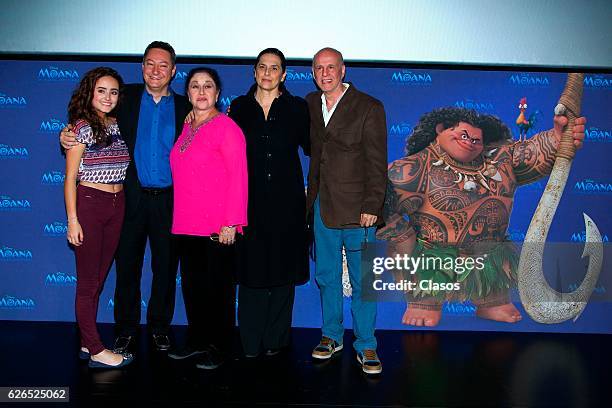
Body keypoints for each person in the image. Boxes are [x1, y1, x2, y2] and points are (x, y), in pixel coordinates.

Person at [377, 107, 586, 327]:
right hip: (431, 260)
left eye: (476, 140)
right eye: (463, 135)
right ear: (439, 130)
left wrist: (558, 136)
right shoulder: (414, 167)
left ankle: (491, 302)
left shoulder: (500, 158)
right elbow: (376, 199)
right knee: (425, 297)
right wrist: (401, 236)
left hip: (489, 259)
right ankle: (423, 303)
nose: (470, 143)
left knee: (494, 282)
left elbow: (531, 152)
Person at [61, 41, 192, 353]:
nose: (156, 70)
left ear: (173, 71)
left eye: (163, 65)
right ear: (142, 67)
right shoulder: (124, 97)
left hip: (169, 201)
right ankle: (126, 330)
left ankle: (160, 327)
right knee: (127, 267)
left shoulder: (187, 107)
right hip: (128, 200)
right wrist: (67, 133)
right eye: (150, 63)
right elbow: (88, 116)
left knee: (165, 268)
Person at [305, 47, 387, 375]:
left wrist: (372, 205)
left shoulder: (369, 106)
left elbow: (377, 162)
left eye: (331, 67)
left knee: (362, 279)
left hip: (359, 211)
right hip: (322, 207)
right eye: (319, 68)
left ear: (343, 70)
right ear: (313, 72)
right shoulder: (311, 104)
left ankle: (366, 343)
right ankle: (331, 336)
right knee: (327, 277)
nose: (325, 73)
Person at [227, 48, 310, 358]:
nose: (267, 72)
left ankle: (276, 340)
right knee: (250, 271)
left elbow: (316, 148)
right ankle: (249, 341)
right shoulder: (238, 107)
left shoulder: (297, 108)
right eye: (262, 66)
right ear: (254, 71)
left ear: (283, 74)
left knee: (283, 270)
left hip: (288, 203)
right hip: (247, 203)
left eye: (274, 68)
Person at [168, 67, 248, 369]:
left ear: (217, 93)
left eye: (208, 86)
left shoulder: (227, 127)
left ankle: (220, 347)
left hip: (218, 226)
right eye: (195, 86)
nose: (201, 92)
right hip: (186, 224)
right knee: (193, 289)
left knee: (220, 292)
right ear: (188, 92)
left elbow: (239, 177)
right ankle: (198, 342)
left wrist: (232, 222)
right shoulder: (188, 126)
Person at [64, 67, 133, 368]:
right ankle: (96, 349)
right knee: (88, 282)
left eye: (113, 91)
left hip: (118, 204)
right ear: (90, 93)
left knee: (99, 280)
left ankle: (84, 340)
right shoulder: (80, 128)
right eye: (101, 91)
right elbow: (69, 180)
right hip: (90, 203)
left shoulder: (118, 125)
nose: (108, 97)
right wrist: (73, 220)